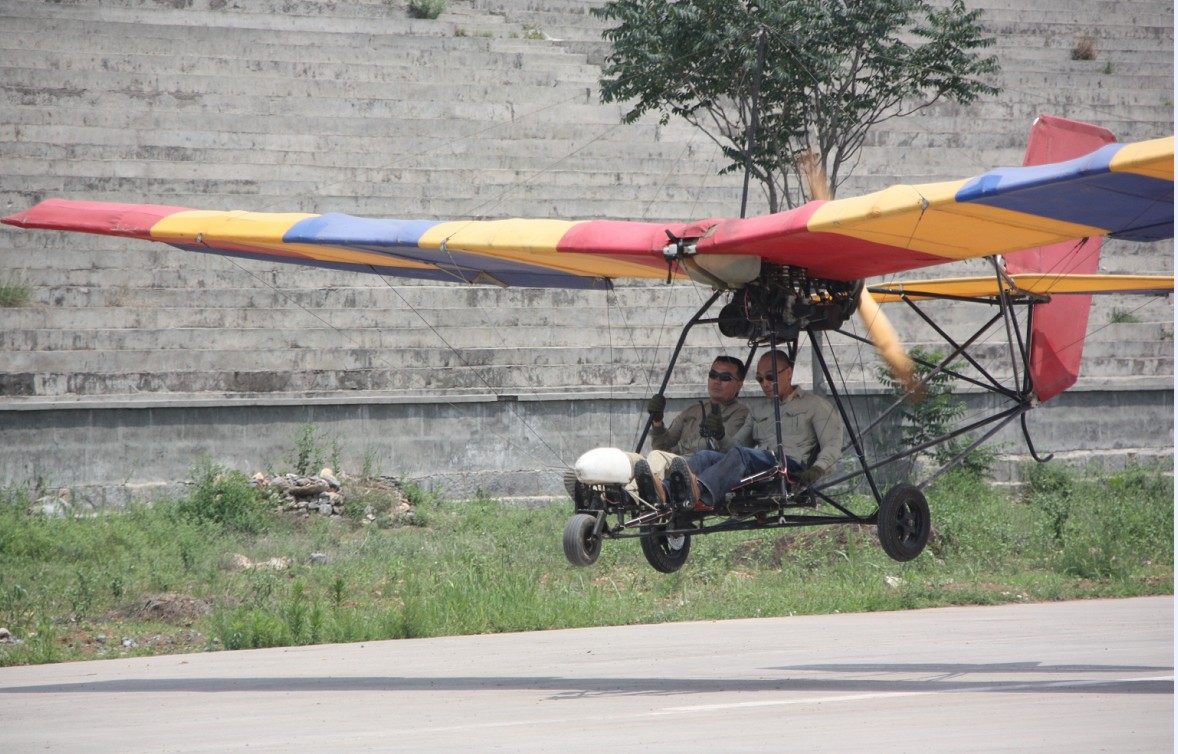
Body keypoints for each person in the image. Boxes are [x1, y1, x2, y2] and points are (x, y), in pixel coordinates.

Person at [666, 350, 843, 511]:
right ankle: (665, 492)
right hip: (760, 465)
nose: (765, 384)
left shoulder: (814, 405)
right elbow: (735, 447)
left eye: (770, 377)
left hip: (790, 467)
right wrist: (721, 435)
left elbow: (833, 443)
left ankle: (702, 493)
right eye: (759, 379)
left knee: (743, 455)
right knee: (705, 456)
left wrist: (818, 469)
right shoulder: (759, 410)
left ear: (789, 373)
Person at [628, 355, 749, 503]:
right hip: (673, 462)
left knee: (655, 457)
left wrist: (719, 434)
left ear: (739, 385)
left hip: (698, 468)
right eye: (713, 375)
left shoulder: (741, 414)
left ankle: (630, 496)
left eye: (725, 377)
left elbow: (729, 455)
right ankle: (601, 496)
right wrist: (657, 421)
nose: (717, 381)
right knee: (630, 459)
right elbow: (661, 445)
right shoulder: (693, 411)